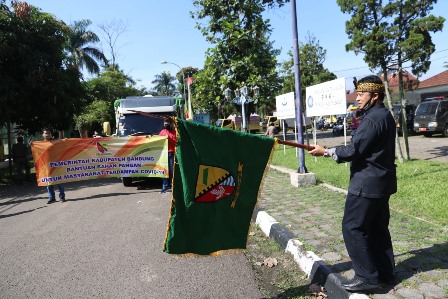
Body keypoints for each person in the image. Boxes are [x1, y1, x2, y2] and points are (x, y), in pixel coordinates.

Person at [309, 75, 396, 293]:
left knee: (353, 227)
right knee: (377, 228)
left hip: (366, 185)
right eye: (357, 93)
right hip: (381, 184)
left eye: (361, 94)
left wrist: (326, 151)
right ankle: (385, 273)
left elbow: (353, 150)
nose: (356, 98)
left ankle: (367, 278)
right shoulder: (385, 115)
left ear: (375, 96)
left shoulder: (372, 119)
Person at [42, 129, 66, 204]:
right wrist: (32, 146)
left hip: (56, 165)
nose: (47, 134)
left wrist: (65, 141)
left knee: (60, 182)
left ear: (51, 134)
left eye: (48, 133)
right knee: (49, 183)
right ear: (43, 134)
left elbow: (62, 146)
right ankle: (51, 198)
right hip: (47, 166)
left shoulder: (55, 142)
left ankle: (62, 197)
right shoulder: (40, 144)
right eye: (45, 133)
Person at [159, 117, 176, 193]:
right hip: (163, 153)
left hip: (171, 153)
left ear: (170, 124)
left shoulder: (174, 132)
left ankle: (173, 185)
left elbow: (176, 142)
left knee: (172, 170)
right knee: (164, 170)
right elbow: (158, 140)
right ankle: (165, 186)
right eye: (164, 124)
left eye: (167, 124)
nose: (166, 125)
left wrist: (169, 139)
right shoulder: (162, 132)